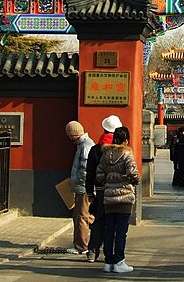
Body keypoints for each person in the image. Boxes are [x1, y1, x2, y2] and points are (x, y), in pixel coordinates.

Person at [95, 126, 140, 274]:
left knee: (109, 230)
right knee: (121, 231)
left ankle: (108, 262)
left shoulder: (105, 154)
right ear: (126, 140)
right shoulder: (127, 154)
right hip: (125, 197)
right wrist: (132, 180)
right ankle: (119, 261)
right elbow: (133, 174)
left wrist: (109, 178)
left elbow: (99, 175)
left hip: (109, 196)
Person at [85, 114, 123, 262]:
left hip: (100, 191)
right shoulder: (121, 150)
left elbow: (90, 172)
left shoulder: (95, 149)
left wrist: (89, 191)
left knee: (99, 221)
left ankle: (93, 251)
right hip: (117, 190)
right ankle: (111, 253)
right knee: (114, 222)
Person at [65, 120, 94, 255]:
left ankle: (81, 246)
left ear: (74, 133)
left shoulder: (85, 146)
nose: (69, 137)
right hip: (82, 187)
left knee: (81, 216)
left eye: (69, 134)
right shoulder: (83, 145)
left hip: (83, 188)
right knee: (83, 216)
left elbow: (84, 168)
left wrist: (81, 182)